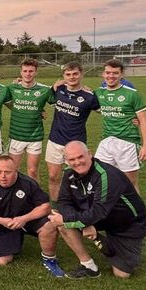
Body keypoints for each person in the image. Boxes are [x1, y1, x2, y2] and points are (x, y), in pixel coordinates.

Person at [48, 141, 146, 279]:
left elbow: (99, 211)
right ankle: (89, 266)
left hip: (128, 224)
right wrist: (76, 221)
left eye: (80, 157)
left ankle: (99, 237)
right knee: (60, 220)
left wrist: (72, 220)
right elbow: (64, 202)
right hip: (100, 217)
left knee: (122, 274)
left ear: (90, 153)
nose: (77, 162)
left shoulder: (105, 175)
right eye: (72, 159)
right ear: (66, 160)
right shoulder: (69, 174)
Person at [0, 155, 66, 276]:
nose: (3, 176)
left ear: (16, 170)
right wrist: (1, 221)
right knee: (1, 260)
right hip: (4, 224)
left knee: (49, 225)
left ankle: (49, 259)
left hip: (27, 219)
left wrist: (24, 218)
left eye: (7, 172)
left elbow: (45, 206)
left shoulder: (28, 183)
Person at [45, 61, 100, 201]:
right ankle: (56, 208)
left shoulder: (90, 96)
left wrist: (132, 118)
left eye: (75, 74)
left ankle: (80, 206)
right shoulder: (58, 89)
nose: (72, 77)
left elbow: (107, 112)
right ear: (64, 76)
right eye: (68, 74)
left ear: (81, 74)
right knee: (53, 177)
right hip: (55, 140)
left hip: (76, 143)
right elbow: (40, 99)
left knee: (80, 178)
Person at [94, 59, 146, 190]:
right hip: (106, 141)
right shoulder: (98, 92)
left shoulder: (132, 94)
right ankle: (107, 210)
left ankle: (137, 211)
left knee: (129, 184)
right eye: (108, 73)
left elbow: (144, 120)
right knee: (100, 179)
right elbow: (88, 104)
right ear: (103, 74)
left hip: (128, 142)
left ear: (122, 74)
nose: (111, 76)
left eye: (115, 73)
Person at [7, 58, 54, 180]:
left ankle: (34, 197)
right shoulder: (12, 88)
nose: (28, 74)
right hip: (16, 135)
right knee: (13, 169)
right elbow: (5, 101)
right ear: (21, 72)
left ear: (36, 72)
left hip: (35, 136)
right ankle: (14, 196)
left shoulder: (44, 90)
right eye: (25, 71)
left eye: (31, 71)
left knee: (32, 171)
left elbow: (60, 101)